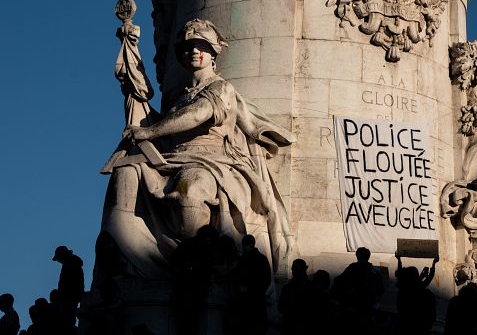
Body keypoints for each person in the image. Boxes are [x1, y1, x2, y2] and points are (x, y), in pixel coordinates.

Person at [99, 18, 295, 279]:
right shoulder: (179, 97)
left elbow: (199, 113)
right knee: (125, 173)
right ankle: (133, 262)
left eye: (201, 46)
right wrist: (134, 85)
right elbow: (161, 119)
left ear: (213, 54)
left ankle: (194, 269)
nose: (194, 51)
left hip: (211, 161)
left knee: (190, 192)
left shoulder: (220, 87)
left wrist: (150, 131)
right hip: (170, 159)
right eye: (188, 46)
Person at [52, 246, 84, 329]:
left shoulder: (70, 266)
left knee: (68, 319)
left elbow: (67, 284)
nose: (59, 261)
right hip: (70, 298)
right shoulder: (70, 264)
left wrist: (61, 295)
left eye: (59, 258)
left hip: (70, 298)